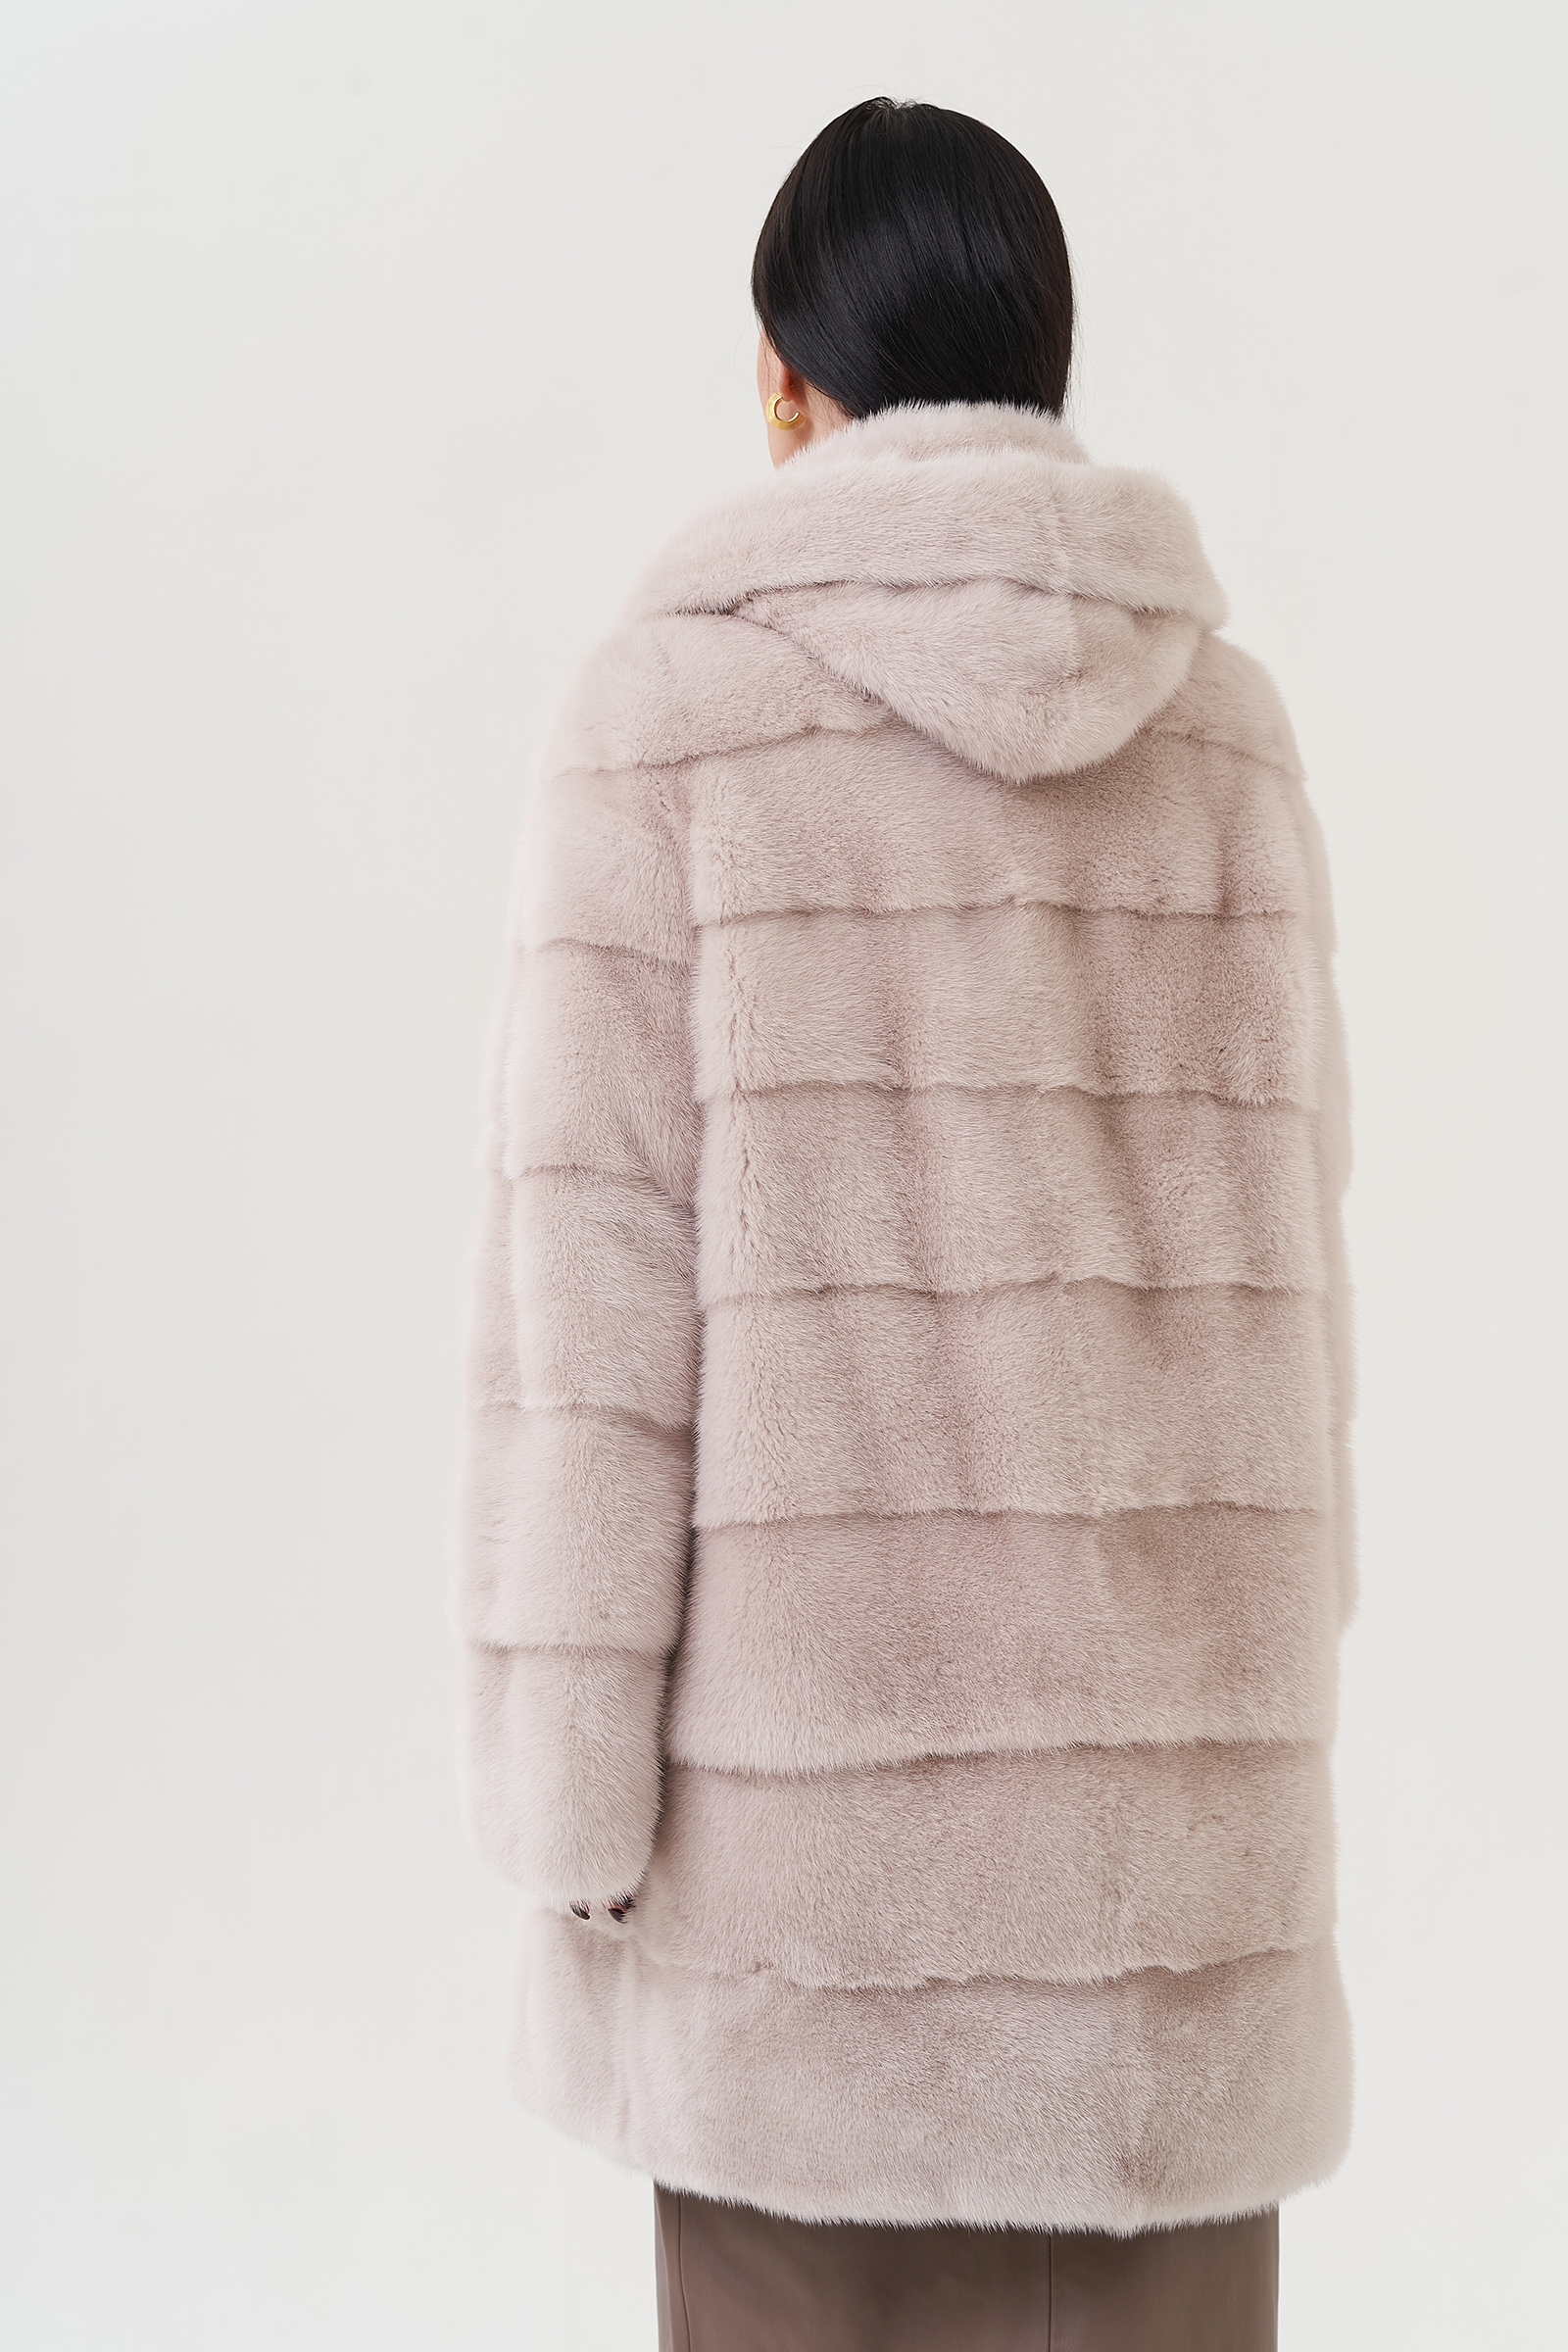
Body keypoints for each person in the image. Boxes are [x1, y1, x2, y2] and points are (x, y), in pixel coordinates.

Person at [456, 96, 1352, 2351]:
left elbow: (594, 1335)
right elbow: (1295, 1298)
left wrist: (567, 1819)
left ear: (784, 383)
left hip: (801, 1940)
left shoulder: (667, 724)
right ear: (1040, 359)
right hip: (1164, 1920)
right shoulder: (1225, 739)